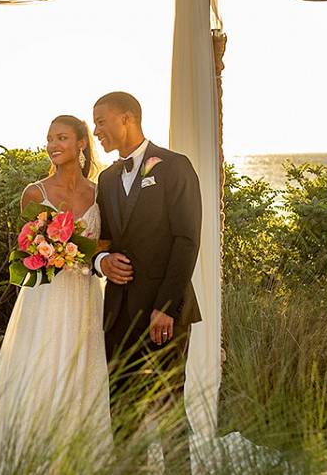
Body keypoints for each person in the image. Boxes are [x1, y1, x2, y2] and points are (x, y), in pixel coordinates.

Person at [0, 115, 112, 471]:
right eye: (50, 138)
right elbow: (26, 248)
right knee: (43, 365)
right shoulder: (35, 193)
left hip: (85, 294)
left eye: (62, 137)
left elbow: (105, 245)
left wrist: (79, 254)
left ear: (81, 143)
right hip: (46, 296)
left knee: (83, 369)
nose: (53, 145)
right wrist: (50, 250)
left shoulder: (100, 193)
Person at [91, 91, 201, 469]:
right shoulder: (105, 179)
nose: (96, 130)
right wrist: (102, 261)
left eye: (101, 121)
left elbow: (186, 240)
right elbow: (101, 239)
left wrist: (166, 307)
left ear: (127, 118)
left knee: (168, 408)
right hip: (117, 314)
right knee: (122, 411)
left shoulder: (175, 167)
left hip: (163, 314)